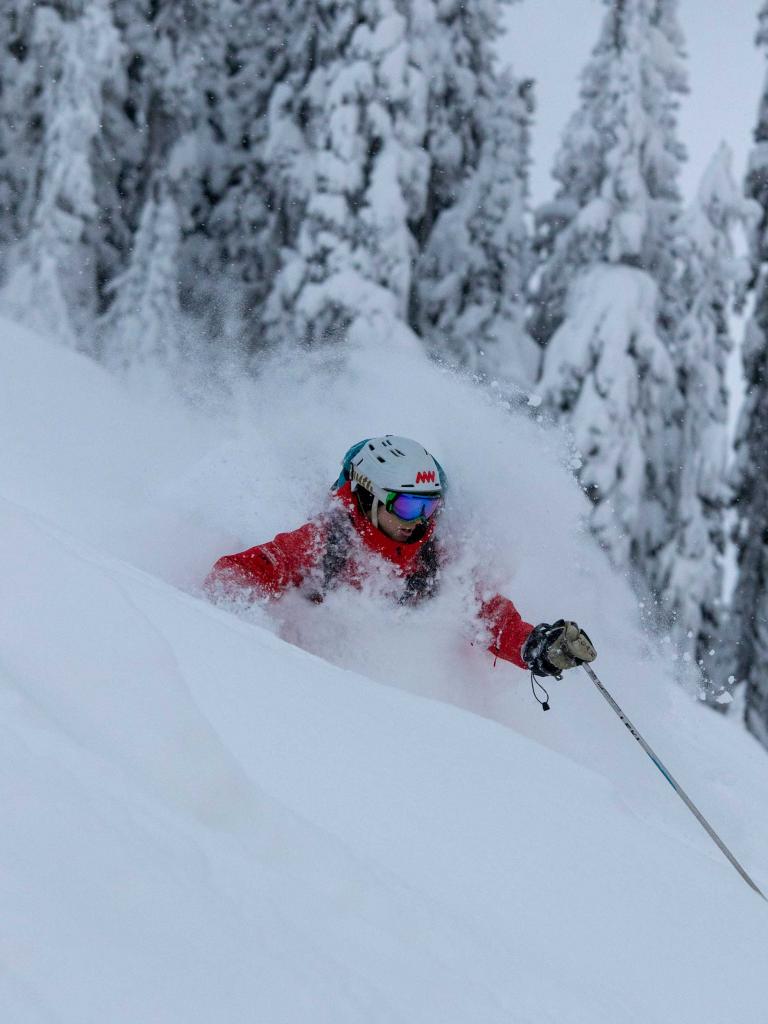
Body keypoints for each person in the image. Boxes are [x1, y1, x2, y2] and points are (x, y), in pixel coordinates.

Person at [205, 435, 596, 682]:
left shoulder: (433, 556)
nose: (419, 521)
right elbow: (235, 574)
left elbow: (485, 614)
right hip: (318, 692)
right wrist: (255, 642)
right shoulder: (324, 544)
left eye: (430, 507)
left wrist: (534, 646)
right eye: (408, 506)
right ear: (368, 497)